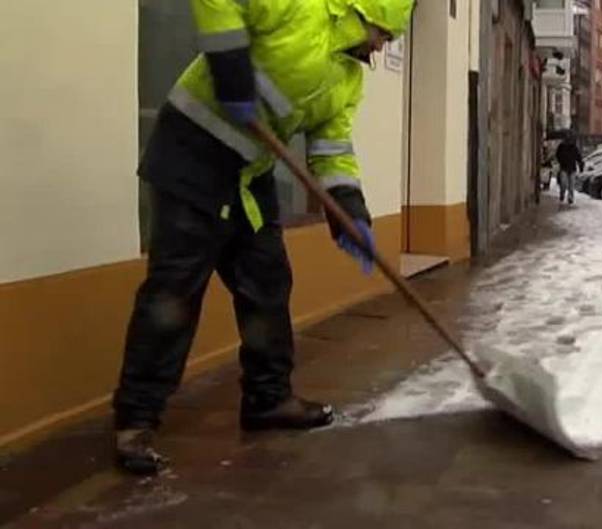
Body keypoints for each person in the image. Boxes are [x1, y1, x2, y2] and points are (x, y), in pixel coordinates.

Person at [112, 0, 415, 475]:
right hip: (191, 155)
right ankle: (135, 421)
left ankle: (268, 399)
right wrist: (229, 64)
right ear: (369, 14)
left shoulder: (346, 79)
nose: (382, 47)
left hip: (248, 176)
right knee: (174, 293)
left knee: (268, 283)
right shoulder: (300, 8)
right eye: (386, 35)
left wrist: (350, 211)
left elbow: (332, 147)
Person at [555, 135, 584, 205]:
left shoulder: (574, 148)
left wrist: (581, 165)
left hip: (572, 168)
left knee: (571, 185)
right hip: (564, 168)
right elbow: (557, 155)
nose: (568, 141)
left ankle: (570, 198)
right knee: (563, 183)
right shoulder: (561, 147)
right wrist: (561, 161)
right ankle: (562, 194)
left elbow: (578, 157)